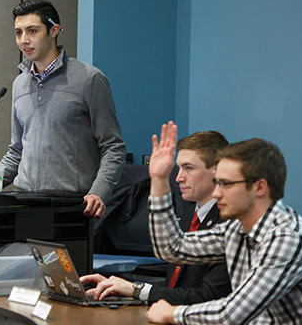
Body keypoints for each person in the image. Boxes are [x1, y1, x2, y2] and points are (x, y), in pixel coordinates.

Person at [146, 121, 302, 324]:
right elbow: (172, 248)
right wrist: (158, 180)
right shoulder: (237, 229)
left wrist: (171, 313)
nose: (216, 192)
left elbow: (231, 315)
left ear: (259, 188)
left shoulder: (288, 238)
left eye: (226, 184)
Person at [0, 0, 125, 218]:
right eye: (18, 33)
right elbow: (17, 151)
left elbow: (113, 147)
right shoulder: (19, 84)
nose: (24, 40)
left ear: (53, 30)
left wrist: (98, 193)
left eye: (32, 31)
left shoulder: (89, 79)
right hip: (24, 203)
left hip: (72, 206)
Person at [80, 131, 231, 305]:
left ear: (217, 170)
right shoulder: (189, 215)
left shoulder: (229, 222)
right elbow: (175, 287)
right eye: (179, 168)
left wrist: (136, 291)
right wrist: (124, 288)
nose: (178, 178)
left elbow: (207, 297)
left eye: (189, 168)